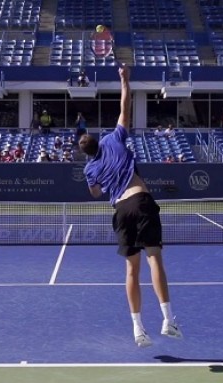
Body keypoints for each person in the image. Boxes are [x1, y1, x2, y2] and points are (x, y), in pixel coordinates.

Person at [78, 65, 182, 348]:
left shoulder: (90, 168)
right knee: (154, 260)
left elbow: (96, 194)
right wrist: (125, 80)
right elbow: (125, 107)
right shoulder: (114, 138)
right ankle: (168, 319)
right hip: (141, 201)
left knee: (131, 271)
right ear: (97, 139)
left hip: (121, 211)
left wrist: (95, 180)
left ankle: (138, 328)